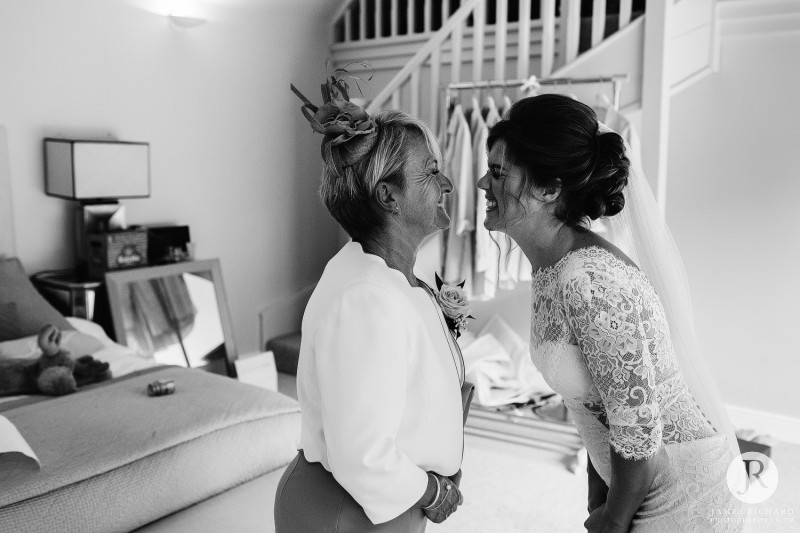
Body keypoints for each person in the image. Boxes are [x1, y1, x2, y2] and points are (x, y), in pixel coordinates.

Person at [477, 94, 744, 532]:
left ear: (549, 188)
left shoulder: (590, 283)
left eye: (499, 172)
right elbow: (599, 399)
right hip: (636, 476)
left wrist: (613, 519)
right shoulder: (551, 264)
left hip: (683, 489)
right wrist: (598, 491)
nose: (485, 184)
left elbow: (639, 426)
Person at [274, 75, 467, 532]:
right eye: (431, 170)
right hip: (349, 512)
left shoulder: (389, 278)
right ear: (388, 196)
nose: (447, 182)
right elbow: (363, 454)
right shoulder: (365, 297)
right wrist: (434, 491)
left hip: (382, 505)